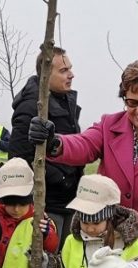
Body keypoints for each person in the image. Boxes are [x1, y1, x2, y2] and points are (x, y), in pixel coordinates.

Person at [27, 59, 138, 264]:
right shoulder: (109, 125)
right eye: (131, 102)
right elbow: (85, 144)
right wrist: (55, 143)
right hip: (111, 249)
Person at [9, 46, 83, 248]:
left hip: (70, 200)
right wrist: (59, 178)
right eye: (63, 71)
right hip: (48, 203)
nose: (71, 75)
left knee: (66, 259)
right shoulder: (31, 107)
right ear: (45, 75)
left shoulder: (66, 101)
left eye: (70, 69)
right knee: (48, 259)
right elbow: (19, 157)